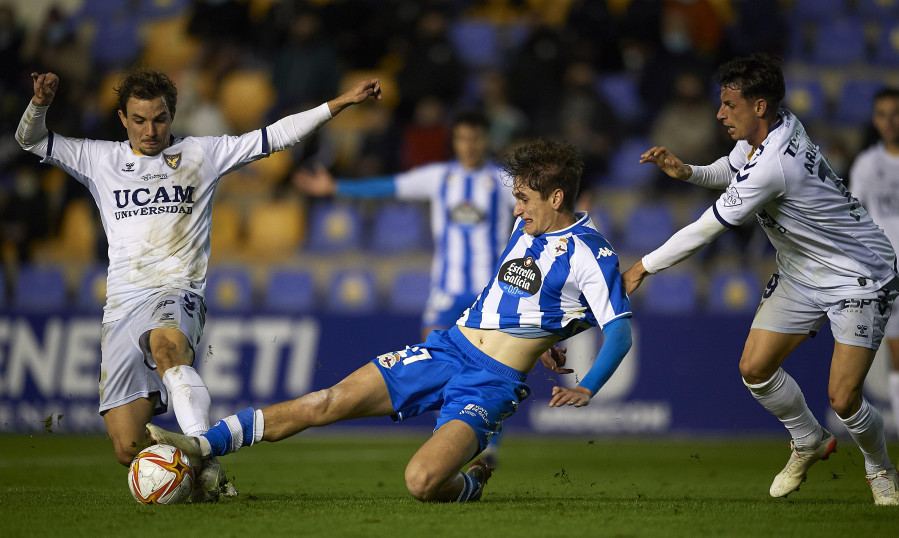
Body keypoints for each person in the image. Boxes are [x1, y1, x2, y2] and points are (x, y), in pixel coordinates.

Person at [148, 138, 634, 503]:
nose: (515, 207)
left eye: (525, 198)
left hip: (490, 383)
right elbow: (518, 290)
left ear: (556, 198)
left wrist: (587, 385)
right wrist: (547, 333)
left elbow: (619, 331)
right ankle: (199, 444)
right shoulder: (525, 227)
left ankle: (469, 485)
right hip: (449, 348)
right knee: (326, 401)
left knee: (421, 483)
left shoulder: (592, 255)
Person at [16, 69, 382, 501]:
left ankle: (203, 451)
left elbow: (277, 136)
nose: (150, 130)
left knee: (166, 348)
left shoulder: (201, 154)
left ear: (172, 115)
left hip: (177, 291)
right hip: (121, 307)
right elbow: (31, 139)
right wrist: (38, 104)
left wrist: (340, 102)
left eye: (159, 119)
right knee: (127, 448)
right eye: (139, 120)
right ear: (122, 118)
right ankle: (198, 476)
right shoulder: (99, 159)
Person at [622, 53, 899, 505]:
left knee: (844, 399)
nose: (719, 113)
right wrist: (687, 171)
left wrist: (641, 267)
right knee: (754, 369)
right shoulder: (774, 128)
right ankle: (808, 439)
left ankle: (880, 468)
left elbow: (707, 228)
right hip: (802, 271)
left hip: (858, 274)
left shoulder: (775, 162)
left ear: (759, 106)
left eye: (730, 104)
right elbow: (732, 172)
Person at [294, 110, 514, 343]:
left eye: (475, 138)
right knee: (431, 355)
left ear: (486, 140)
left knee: (490, 363)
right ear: (454, 141)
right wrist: (336, 187)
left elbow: (537, 204)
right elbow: (387, 186)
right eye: (462, 138)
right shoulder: (439, 176)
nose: (469, 146)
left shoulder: (503, 180)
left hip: (491, 289)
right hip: (447, 288)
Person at [849, 87, 899, 459]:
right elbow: (854, 220)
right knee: (898, 355)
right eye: (882, 114)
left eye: (895, 113)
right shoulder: (867, 165)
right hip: (889, 274)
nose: (889, 121)